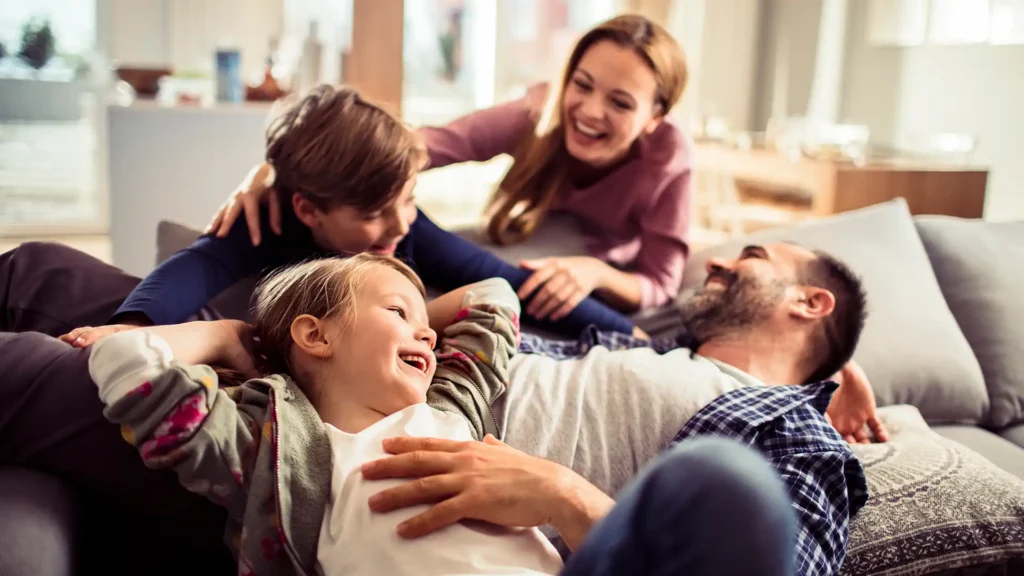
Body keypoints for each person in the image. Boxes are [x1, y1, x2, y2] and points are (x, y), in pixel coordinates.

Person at [85, 254, 797, 576]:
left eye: (425, 319)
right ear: (315, 336)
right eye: (400, 313)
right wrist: (229, 336)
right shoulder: (273, 441)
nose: (428, 332)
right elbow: (129, 369)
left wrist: (398, 317)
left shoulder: (451, 407)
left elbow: (493, 299)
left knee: (726, 479)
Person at [358, 241, 884, 575]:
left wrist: (563, 495)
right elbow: (437, 245)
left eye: (752, 255)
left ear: (810, 303)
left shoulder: (798, 434)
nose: (716, 261)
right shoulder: (634, 347)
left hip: (466, 549)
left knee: (728, 478)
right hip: (358, 419)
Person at [63, 82, 639, 350]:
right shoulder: (269, 225)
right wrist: (134, 327)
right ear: (308, 209)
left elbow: (506, 278)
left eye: (409, 198)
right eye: (372, 214)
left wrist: (629, 333)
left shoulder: (407, 230)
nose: (398, 225)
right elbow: (197, 266)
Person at [209, 14, 693, 322]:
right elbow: (412, 148)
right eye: (582, 85)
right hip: (529, 235)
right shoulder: (537, 113)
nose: (589, 110)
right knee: (428, 254)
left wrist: (596, 274)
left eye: (620, 102)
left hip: (593, 263)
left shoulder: (669, 159)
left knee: (455, 285)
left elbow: (661, 282)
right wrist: (277, 170)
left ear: (655, 116)